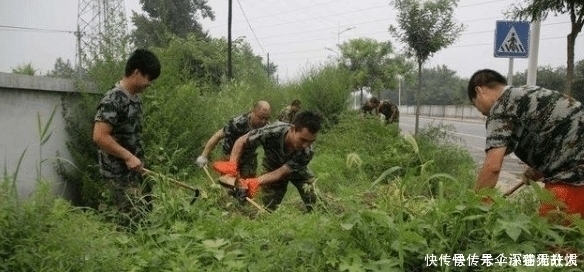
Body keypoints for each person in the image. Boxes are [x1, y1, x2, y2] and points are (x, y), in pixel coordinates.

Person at [468, 68, 584, 222]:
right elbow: (556, 132)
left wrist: (476, 209)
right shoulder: (527, 93)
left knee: (554, 239)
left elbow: (492, 166)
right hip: (574, 170)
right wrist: (537, 168)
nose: (481, 113)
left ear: (479, 90)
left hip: (573, 179)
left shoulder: (501, 107)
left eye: (475, 105)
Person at [93, 49, 161, 229]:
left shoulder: (135, 98)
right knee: (131, 221)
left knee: (146, 211)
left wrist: (136, 159)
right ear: (136, 72)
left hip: (135, 169)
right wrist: (128, 156)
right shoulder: (113, 98)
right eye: (149, 78)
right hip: (118, 172)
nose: (149, 84)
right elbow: (100, 136)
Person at [214, 110, 323, 212]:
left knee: (315, 200)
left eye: (311, 141)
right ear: (293, 129)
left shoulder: (307, 151)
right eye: (303, 140)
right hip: (272, 166)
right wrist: (232, 165)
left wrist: (254, 181)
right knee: (268, 206)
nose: (306, 145)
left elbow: (282, 172)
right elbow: (241, 141)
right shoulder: (273, 131)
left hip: (298, 172)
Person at [196, 101, 271, 178]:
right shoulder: (237, 123)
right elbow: (218, 136)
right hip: (229, 155)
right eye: (261, 118)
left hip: (248, 159)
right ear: (253, 112)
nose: (263, 121)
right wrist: (204, 156)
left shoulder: (267, 128)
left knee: (246, 186)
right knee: (228, 183)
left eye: (266, 118)